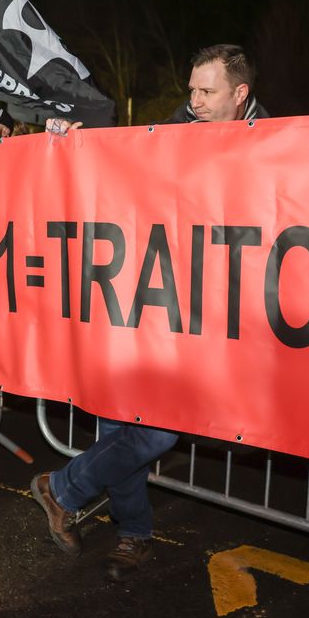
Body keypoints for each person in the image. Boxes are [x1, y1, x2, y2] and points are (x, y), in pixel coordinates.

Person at [31, 43, 269, 582]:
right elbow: (121, 167)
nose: (195, 101)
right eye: (191, 90)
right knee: (121, 425)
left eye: (207, 92)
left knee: (157, 431)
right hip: (146, 305)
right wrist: (78, 143)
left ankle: (61, 488)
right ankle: (135, 536)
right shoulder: (170, 131)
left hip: (207, 319)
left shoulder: (276, 141)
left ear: (241, 93)